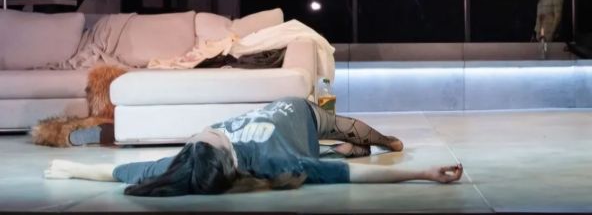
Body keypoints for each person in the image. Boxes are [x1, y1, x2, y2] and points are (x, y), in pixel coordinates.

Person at [43, 97, 463, 195]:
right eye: (211, 136)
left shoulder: (188, 163)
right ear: (227, 155)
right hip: (299, 114)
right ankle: (374, 143)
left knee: (351, 140)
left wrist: (69, 169)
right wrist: (423, 172)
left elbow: (120, 173)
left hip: (291, 122)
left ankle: (378, 141)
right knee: (346, 137)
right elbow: (354, 176)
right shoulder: (272, 162)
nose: (204, 132)